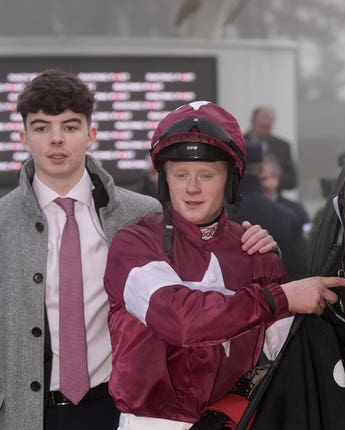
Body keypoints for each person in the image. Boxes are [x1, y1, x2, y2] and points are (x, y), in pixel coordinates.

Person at [0, 70, 277, 430]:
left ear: (91, 134)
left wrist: (257, 243)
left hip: (119, 410)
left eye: (69, 127)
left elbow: (212, 241)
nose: (56, 140)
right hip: (24, 413)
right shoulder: (3, 223)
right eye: (41, 128)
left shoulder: (144, 214)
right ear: (23, 137)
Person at [104, 101, 345, 429]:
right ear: (164, 179)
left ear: (230, 180)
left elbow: (285, 354)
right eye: (180, 174)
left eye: (206, 175)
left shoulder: (257, 251)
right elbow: (179, 320)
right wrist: (276, 298)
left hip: (239, 419)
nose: (192, 188)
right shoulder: (133, 244)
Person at [229, 141, 308, 279]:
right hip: (283, 296)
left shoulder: (215, 214)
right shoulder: (288, 217)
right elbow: (302, 270)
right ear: (261, 168)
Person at [244, 106, 297, 191]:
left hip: (274, 198)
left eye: (268, 126)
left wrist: (273, 177)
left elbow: (292, 180)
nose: (265, 130)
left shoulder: (283, 146)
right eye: (262, 126)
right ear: (253, 122)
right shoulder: (240, 143)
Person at [260, 151, 311, 239]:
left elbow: (307, 241)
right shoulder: (243, 209)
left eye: (264, 179)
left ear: (277, 178)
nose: (258, 184)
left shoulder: (296, 210)